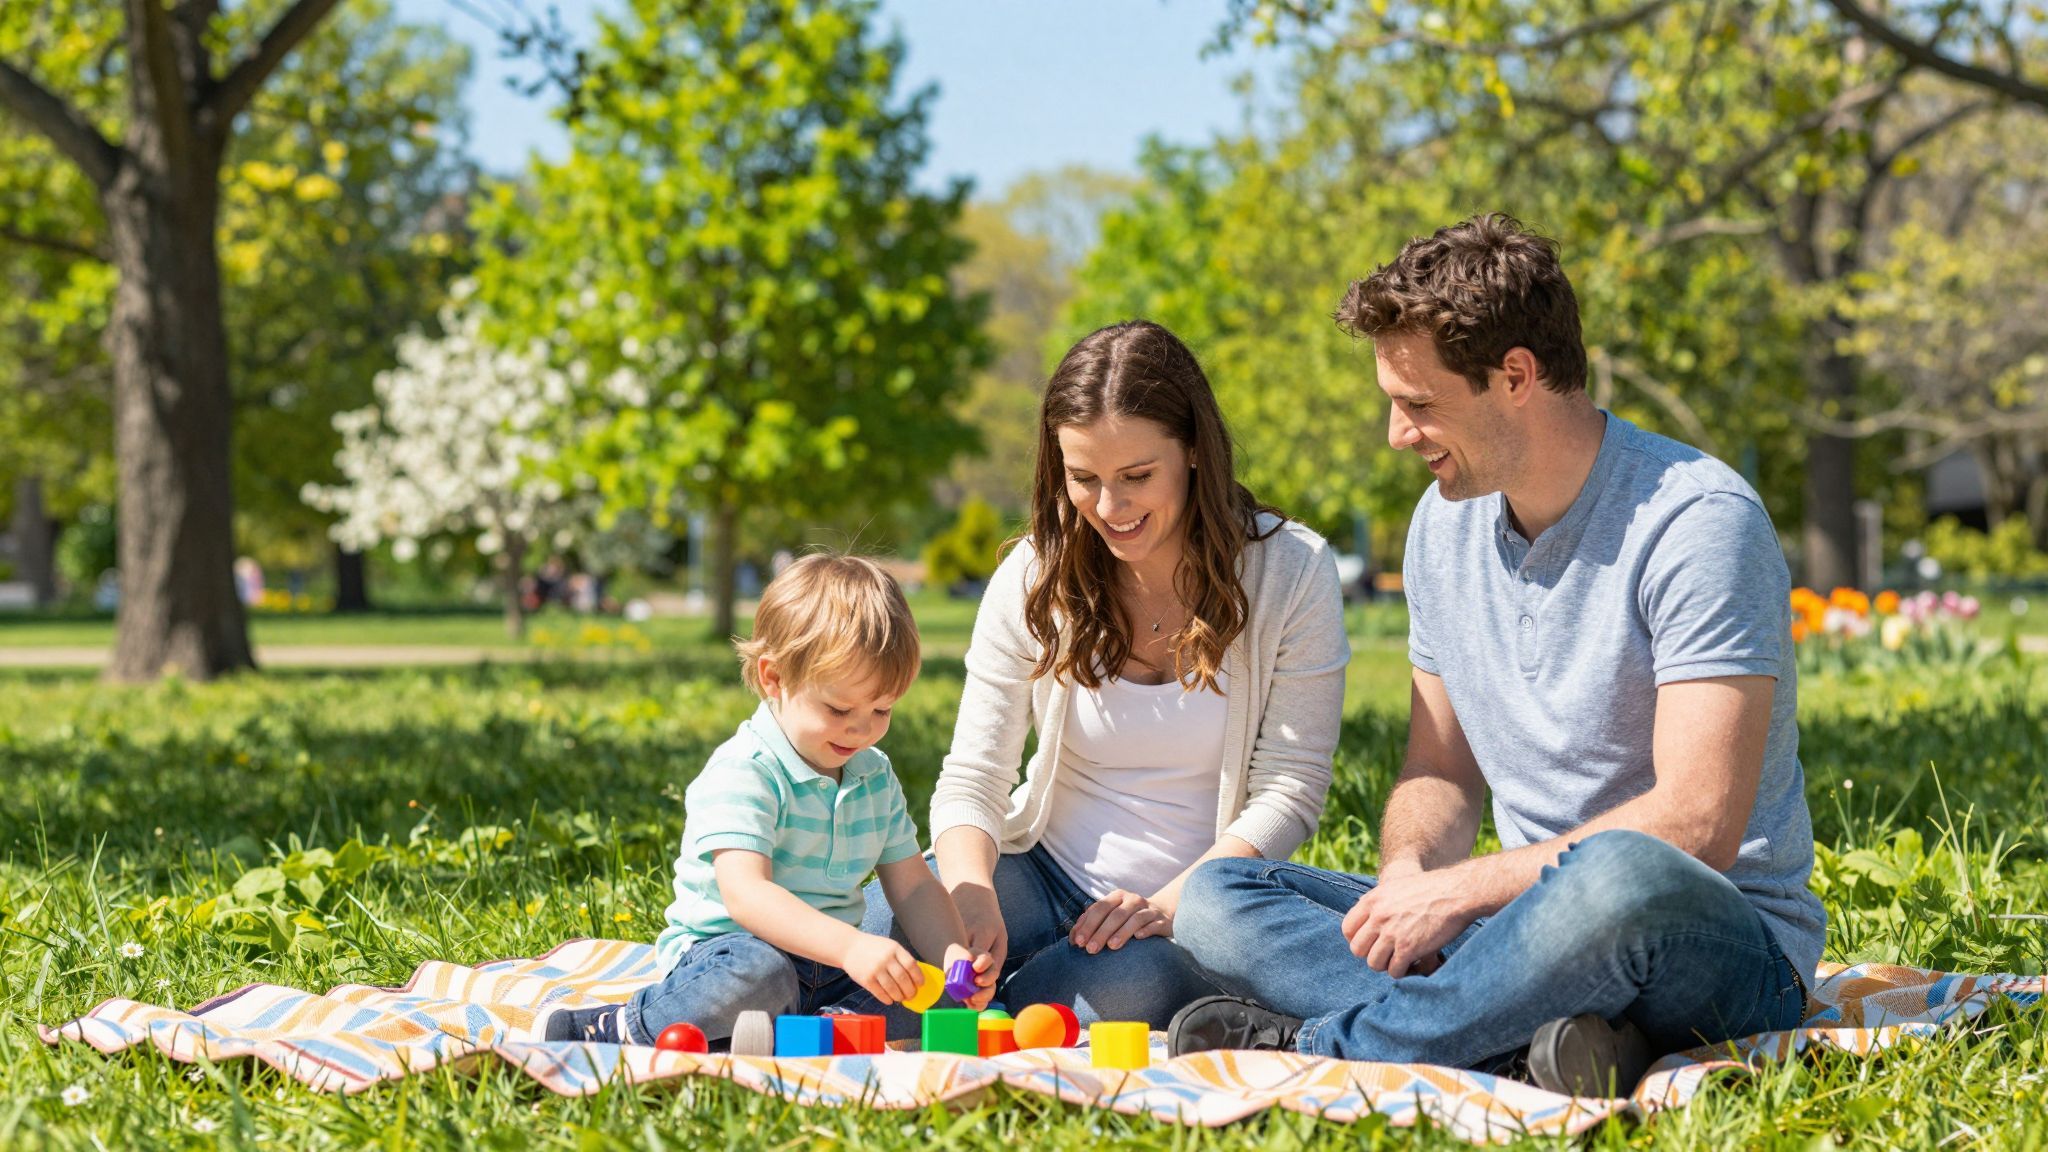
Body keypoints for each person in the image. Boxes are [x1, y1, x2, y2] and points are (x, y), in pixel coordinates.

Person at [1167, 214, 1826, 1096]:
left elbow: (1697, 826)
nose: (1398, 435)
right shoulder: (1442, 526)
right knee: (1218, 901)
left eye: (1419, 404)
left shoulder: (1699, 522)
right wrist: (1409, 877)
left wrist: (1463, 892)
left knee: (1616, 877)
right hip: (1510, 927)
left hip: (1709, 938)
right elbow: (1438, 768)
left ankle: (1335, 1047)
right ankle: (1531, 1042)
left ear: (1516, 375)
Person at [859, 320, 1351, 1029]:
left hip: (1180, 907)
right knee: (886, 928)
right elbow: (973, 777)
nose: (1111, 510)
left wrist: (1168, 905)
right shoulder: (1034, 574)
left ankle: (1005, 1002)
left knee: (1117, 992)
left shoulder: (1291, 571)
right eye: (1084, 479)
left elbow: (1289, 789)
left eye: (1137, 477)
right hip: (1039, 862)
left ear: (1192, 451)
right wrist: (969, 891)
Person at [538, 553, 988, 1044]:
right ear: (775, 678)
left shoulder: (873, 776)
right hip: (731, 954)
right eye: (839, 709)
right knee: (762, 975)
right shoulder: (747, 770)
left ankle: (806, 1031)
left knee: (932, 991)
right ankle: (619, 1025)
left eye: (882, 709)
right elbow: (747, 896)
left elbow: (915, 886)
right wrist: (851, 947)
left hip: (832, 970)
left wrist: (951, 956)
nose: (863, 729)